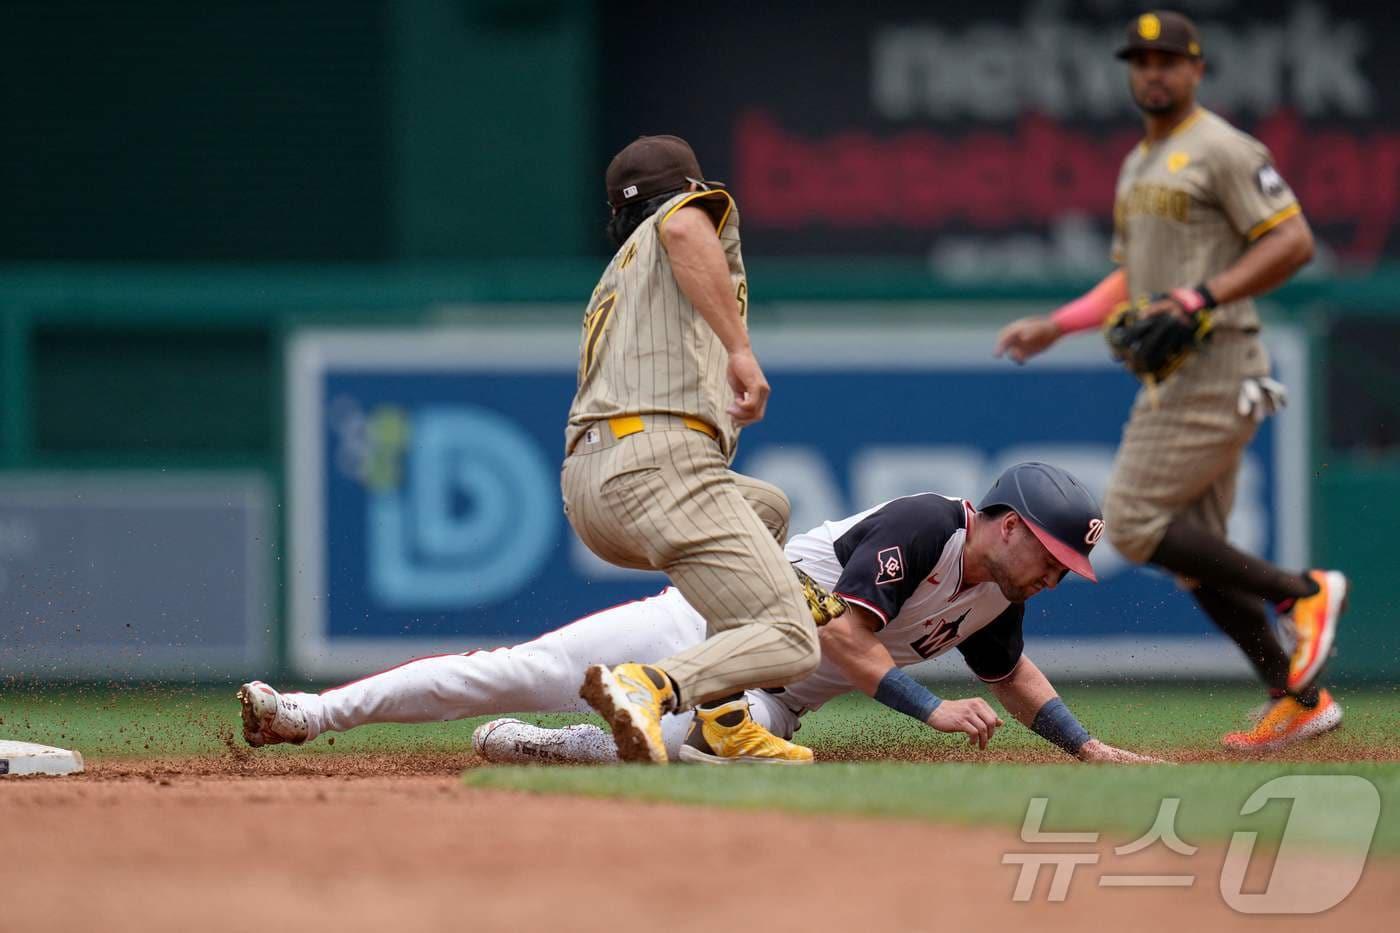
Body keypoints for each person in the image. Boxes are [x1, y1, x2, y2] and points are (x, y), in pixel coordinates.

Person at [238, 463, 1157, 765]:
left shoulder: (1000, 587)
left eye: (1069, 562)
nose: (1058, 571)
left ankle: (546, 745)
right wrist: (929, 707)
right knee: (509, 668)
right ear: (1002, 521)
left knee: (714, 755)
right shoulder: (927, 524)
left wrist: (1083, 745)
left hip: (772, 703)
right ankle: (305, 714)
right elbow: (843, 633)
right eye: (1051, 551)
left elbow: (1009, 675)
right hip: (700, 632)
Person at [993, 10, 1344, 751]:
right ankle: (1299, 696)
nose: (1153, 71)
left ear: (1197, 70)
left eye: (1168, 59)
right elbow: (1136, 276)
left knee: (1132, 522)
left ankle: (1302, 594)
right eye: (1141, 59)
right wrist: (1059, 323)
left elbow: (1294, 240)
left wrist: (1201, 296)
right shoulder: (1138, 164)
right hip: (1175, 372)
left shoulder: (1222, 148)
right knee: (1196, 558)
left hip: (1217, 362)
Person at [556, 134, 828, 765]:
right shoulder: (682, 218)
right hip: (658, 461)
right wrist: (739, 349)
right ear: (687, 188)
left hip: (593, 484)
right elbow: (684, 227)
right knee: (790, 638)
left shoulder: (616, 273)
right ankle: (649, 684)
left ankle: (726, 721)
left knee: (767, 509)